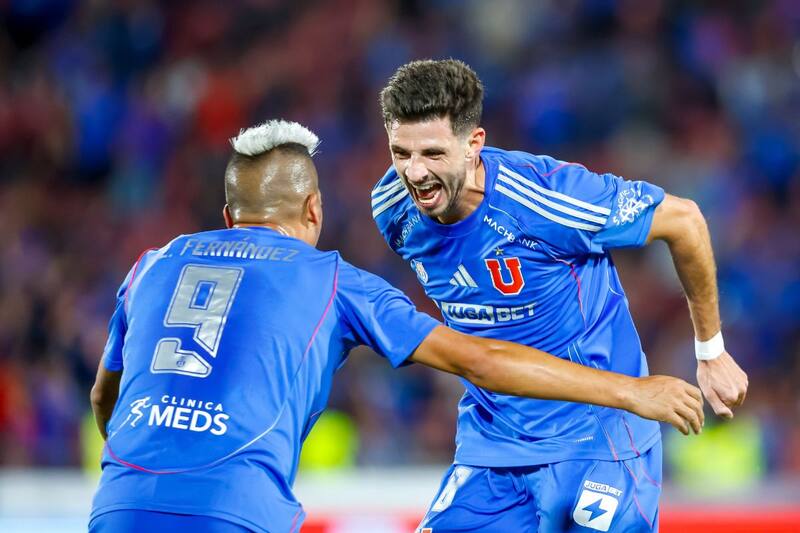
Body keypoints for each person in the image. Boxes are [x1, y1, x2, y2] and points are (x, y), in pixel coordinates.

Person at [88, 120, 703, 533]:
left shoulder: (152, 263)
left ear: (227, 215)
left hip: (115, 505)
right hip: (238, 511)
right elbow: (480, 361)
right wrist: (632, 390)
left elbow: (104, 398)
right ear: (313, 210)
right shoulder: (330, 278)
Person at [373, 59, 749, 533]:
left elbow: (685, 221)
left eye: (432, 153)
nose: (415, 173)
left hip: (602, 438)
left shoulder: (546, 196)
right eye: (400, 153)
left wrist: (710, 350)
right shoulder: (391, 210)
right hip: (494, 449)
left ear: (474, 145)